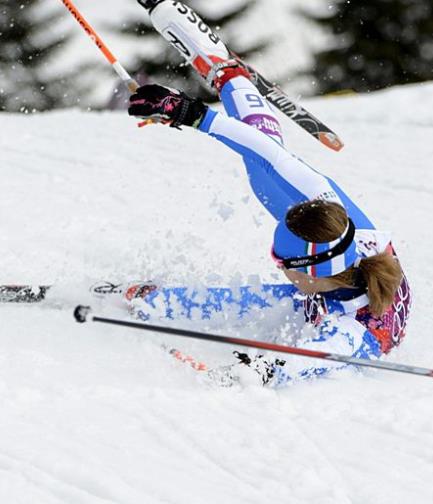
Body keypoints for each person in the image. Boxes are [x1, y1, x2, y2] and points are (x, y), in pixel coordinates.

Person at [125, 0, 411, 387]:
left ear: (309, 273)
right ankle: (227, 72)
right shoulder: (334, 216)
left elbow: (303, 363)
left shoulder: (351, 330)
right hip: (335, 266)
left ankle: (157, 298)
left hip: (335, 308)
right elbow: (273, 153)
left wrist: (251, 371)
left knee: (253, 299)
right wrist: (192, 114)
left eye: (283, 263)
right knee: (265, 171)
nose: (279, 267)